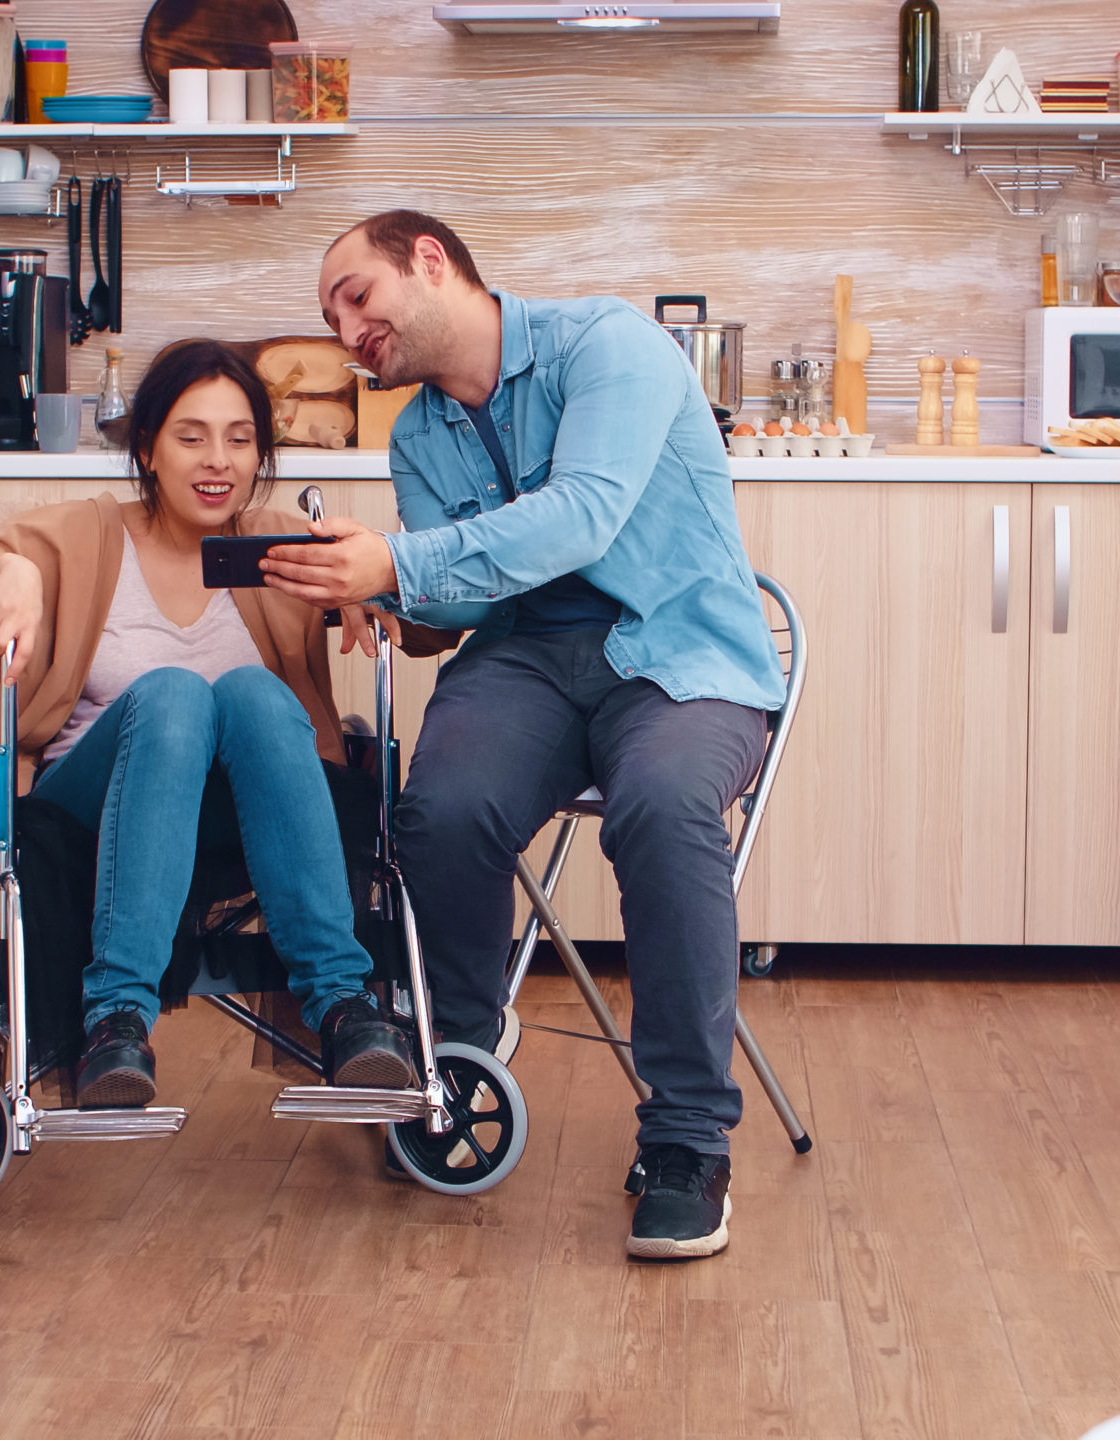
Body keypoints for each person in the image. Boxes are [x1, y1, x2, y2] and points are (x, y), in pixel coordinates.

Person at [260, 211, 786, 1260]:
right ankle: (459, 1042)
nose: (344, 327)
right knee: (439, 802)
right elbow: (457, 610)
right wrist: (374, 597)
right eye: (327, 315)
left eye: (355, 296)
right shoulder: (416, 435)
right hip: (527, 667)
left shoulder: (608, 346)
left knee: (663, 805)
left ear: (429, 261)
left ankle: (687, 1141)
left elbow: (583, 514)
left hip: (676, 652)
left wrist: (400, 564)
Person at [0, 339, 414, 1108]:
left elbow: (433, 628)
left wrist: (381, 572)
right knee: (172, 693)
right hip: (87, 810)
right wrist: (8, 568)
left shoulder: (281, 549)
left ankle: (342, 1005)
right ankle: (115, 1019)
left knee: (256, 695)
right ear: (147, 448)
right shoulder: (79, 536)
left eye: (239, 439)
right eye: (191, 436)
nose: (218, 461)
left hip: (246, 814)